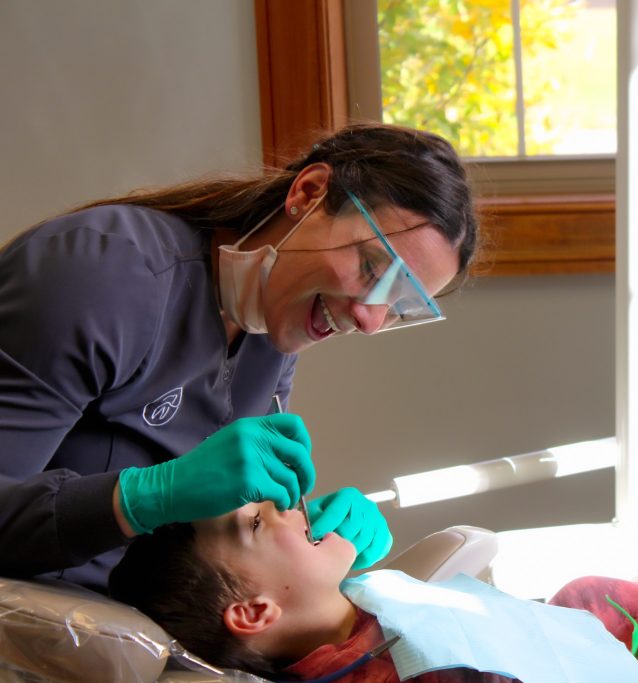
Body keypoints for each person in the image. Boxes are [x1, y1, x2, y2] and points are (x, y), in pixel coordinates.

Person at [0, 123, 479, 591]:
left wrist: (305, 532)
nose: (370, 319)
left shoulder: (272, 330)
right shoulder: (104, 273)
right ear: (308, 193)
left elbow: (207, 533)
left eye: (398, 307)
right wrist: (142, 497)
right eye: (373, 268)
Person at [109, 477, 638, 682]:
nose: (284, 506)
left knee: (587, 589)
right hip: (628, 674)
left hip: (574, 635)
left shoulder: (351, 616)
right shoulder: (411, 672)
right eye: (255, 523)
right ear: (254, 610)